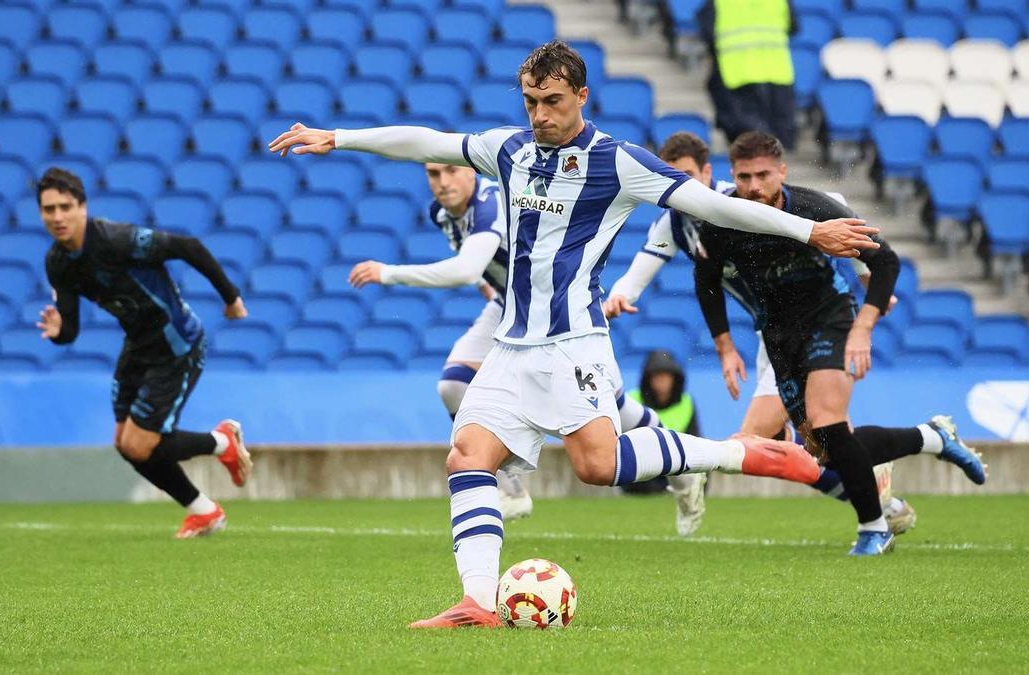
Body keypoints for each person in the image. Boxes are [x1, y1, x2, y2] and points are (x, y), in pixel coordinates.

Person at [268, 40, 880, 628]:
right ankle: (477, 603)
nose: (539, 115)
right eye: (531, 101)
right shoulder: (510, 149)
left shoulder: (619, 161)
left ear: (581, 97)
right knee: (467, 456)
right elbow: (429, 140)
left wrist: (807, 232)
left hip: (572, 346)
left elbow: (710, 204)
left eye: (552, 102)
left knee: (597, 466)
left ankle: (735, 452)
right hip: (510, 348)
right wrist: (339, 138)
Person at [604, 131, 919, 535]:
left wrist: (864, 270)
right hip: (771, 334)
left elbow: (832, 207)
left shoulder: (739, 199)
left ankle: (886, 494)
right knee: (811, 443)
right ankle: (883, 493)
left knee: (755, 440)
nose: (679, 186)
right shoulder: (675, 221)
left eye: (686, 176)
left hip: (809, 322)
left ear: (708, 173)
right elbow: (652, 271)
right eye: (671, 177)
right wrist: (618, 297)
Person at [688, 132, 986, 555]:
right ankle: (933, 437)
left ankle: (874, 528)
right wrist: (723, 345)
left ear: (782, 172)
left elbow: (885, 260)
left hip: (830, 318)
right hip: (778, 334)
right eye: (744, 176)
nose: (753, 186)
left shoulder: (814, 207)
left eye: (763, 175)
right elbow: (705, 282)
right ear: (731, 176)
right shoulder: (722, 221)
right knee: (823, 451)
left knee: (828, 420)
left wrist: (863, 326)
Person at [346, 162, 672, 521]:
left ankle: (678, 453)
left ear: (470, 172)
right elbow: (481, 265)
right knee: (453, 384)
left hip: (562, 307)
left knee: (616, 409)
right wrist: (491, 288)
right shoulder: (442, 213)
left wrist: (387, 272)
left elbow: (466, 267)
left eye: (451, 171)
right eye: (433, 174)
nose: (443, 182)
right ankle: (510, 488)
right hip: (512, 305)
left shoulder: (490, 204)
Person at [34, 167, 252, 539]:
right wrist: (57, 332)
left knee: (142, 442)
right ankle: (204, 511)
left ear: (82, 207)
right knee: (125, 444)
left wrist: (230, 298)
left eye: (65, 207)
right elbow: (70, 329)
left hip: (176, 346)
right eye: (49, 209)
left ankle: (222, 443)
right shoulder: (58, 263)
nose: (57, 217)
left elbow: (188, 247)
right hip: (137, 345)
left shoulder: (118, 240)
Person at [622, 350, 708, 538]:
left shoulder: (686, 403)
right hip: (645, 468)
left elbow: (694, 438)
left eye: (666, 377)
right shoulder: (633, 401)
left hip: (675, 464)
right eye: (657, 377)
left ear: (674, 379)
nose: (662, 382)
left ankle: (688, 495)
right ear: (648, 379)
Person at [696, 0, 798, 149]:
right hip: (776, 71)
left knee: (748, 141)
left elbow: (707, 31)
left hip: (737, 72)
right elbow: (793, 27)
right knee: (777, 141)